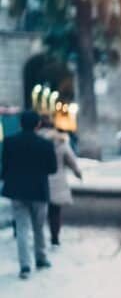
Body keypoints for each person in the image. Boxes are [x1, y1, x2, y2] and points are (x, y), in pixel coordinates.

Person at [1, 111, 57, 279]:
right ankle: (41, 258)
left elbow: (5, 167)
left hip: (17, 191)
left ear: (20, 124)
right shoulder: (46, 144)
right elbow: (52, 169)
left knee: (22, 229)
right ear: (38, 125)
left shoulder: (10, 142)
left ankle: (25, 265)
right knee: (39, 227)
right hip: (39, 191)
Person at [42, 127, 82, 247]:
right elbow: (72, 161)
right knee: (55, 212)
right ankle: (55, 237)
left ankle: (42, 237)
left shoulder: (42, 145)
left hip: (44, 181)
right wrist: (78, 173)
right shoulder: (62, 145)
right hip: (58, 181)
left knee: (43, 211)